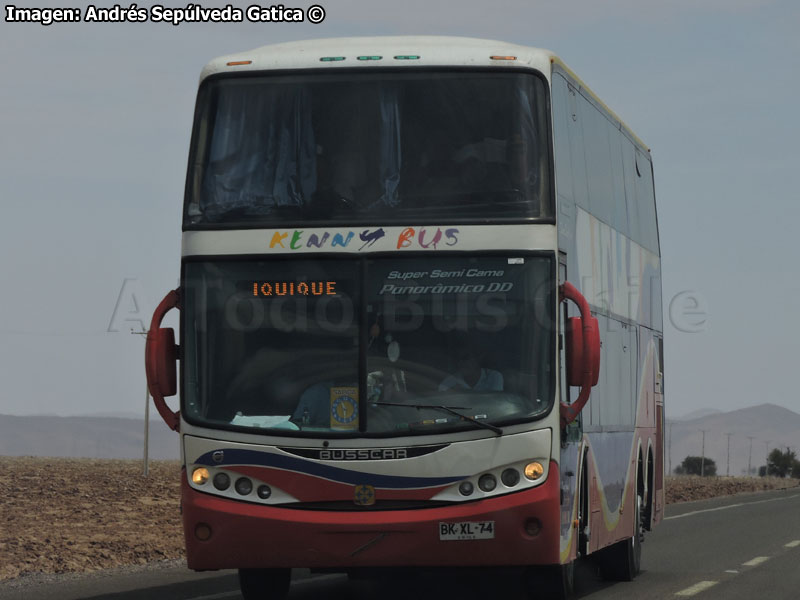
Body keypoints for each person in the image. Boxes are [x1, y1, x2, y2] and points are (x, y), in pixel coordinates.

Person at [438, 349, 503, 392]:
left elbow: (495, 402)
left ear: (478, 360)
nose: (461, 362)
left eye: (465, 358)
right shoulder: (450, 381)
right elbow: (440, 402)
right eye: (458, 359)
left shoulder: (494, 376)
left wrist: (462, 393)